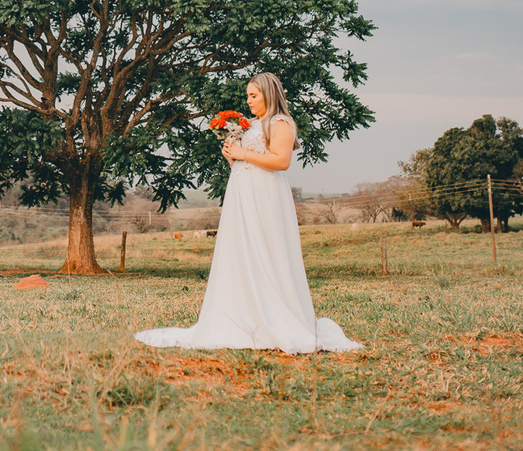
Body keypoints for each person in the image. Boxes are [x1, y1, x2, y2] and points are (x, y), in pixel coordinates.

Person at [134, 72, 362, 354]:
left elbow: (280, 161)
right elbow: (248, 162)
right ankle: (242, 315)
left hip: (266, 196)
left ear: (269, 93)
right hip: (242, 193)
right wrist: (233, 156)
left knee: (267, 249)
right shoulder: (251, 125)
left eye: (253, 96)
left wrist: (243, 154)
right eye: (247, 96)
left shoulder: (281, 123)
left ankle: (274, 315)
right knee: (241, 250)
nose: (248, 101)